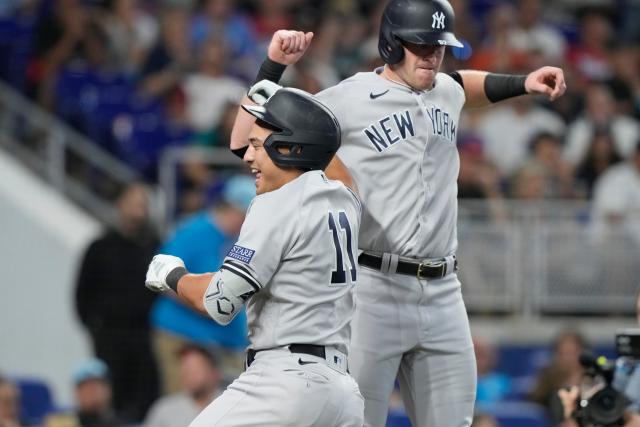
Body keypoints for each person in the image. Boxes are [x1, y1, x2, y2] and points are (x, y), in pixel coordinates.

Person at [229, 1, 567, 425]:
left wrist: (523, 83)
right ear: (390, 43)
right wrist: (273, 66)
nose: (430, 55)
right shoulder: (349, 98)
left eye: (438, 46)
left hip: (444, 291)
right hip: (373, 288)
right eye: (419, 45)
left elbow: (464, 85)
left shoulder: (443, 90)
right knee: (355, 421)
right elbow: (245, 141)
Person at [145, 84, 364, 426]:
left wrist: (173, 277)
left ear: (291, 149)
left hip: (285, 381)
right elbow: (336, 165)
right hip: (343, 392)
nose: (248, 156)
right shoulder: (344, 199)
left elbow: (219, 303)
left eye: (259, 146)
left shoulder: (274, 204)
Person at [151, 176, 254, 394]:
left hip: (227, 341)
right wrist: (203, 304)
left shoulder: (241, 239)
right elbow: (160, 274)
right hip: (182, 335)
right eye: (246, 215)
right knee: (184, 403)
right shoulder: (195, 231)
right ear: (233, 208)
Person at [75, 182, 159, 422]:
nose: (139, 208)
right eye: (133, 201)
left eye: (143, 203)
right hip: (109, 336)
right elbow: (82, 294)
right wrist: (96, 327)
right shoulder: (100, 248)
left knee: (144, 398)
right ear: (120, 204)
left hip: (144, 335)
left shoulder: (154, 246)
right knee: (110, 400)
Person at [144, 344, 222, 427]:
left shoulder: (229, 406)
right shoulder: (164, 410)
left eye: (195, 369)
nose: (188, 374)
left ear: (214, 373)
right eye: (185, 368)